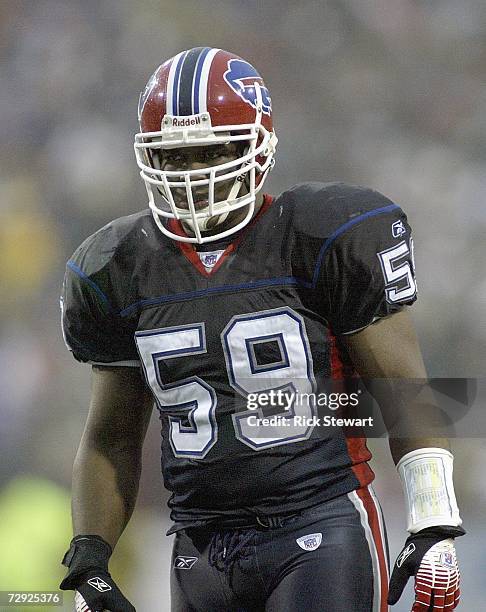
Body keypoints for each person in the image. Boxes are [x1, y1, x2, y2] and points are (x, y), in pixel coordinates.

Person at [59, 47, 464, 611]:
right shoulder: (116, 266)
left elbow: (405, 391)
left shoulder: (322, 234)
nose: (194, 171)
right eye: (174, 156)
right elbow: (111, 435)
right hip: (196, 544)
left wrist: (434, 519)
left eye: (211, 150)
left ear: (260, 144)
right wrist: (89, 558)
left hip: (320, 523)